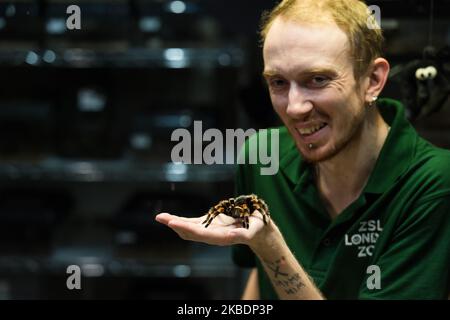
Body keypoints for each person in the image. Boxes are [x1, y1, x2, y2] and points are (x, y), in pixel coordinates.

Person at [156, 0, 450, 299]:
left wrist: (271, 248)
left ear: (372, 81)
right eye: (278, 82)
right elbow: (261, 280)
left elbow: (268, 258)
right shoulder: (262, 155)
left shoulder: (433, 182)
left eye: (318, 79)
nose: (295, 107)